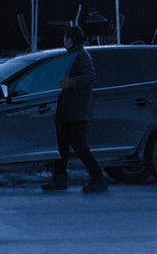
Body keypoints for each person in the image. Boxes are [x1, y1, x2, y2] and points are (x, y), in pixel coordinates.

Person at [42, 25, 108, 193]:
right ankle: (60, 177)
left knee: (79, 146)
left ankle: (98, 177)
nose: (63, 40)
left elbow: (90, 76)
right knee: (62, 146)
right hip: (67, 110)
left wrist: (72, 82)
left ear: (71, 40)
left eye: (65, 38)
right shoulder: (72, 55)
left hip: (77, 110)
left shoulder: (81, 56)